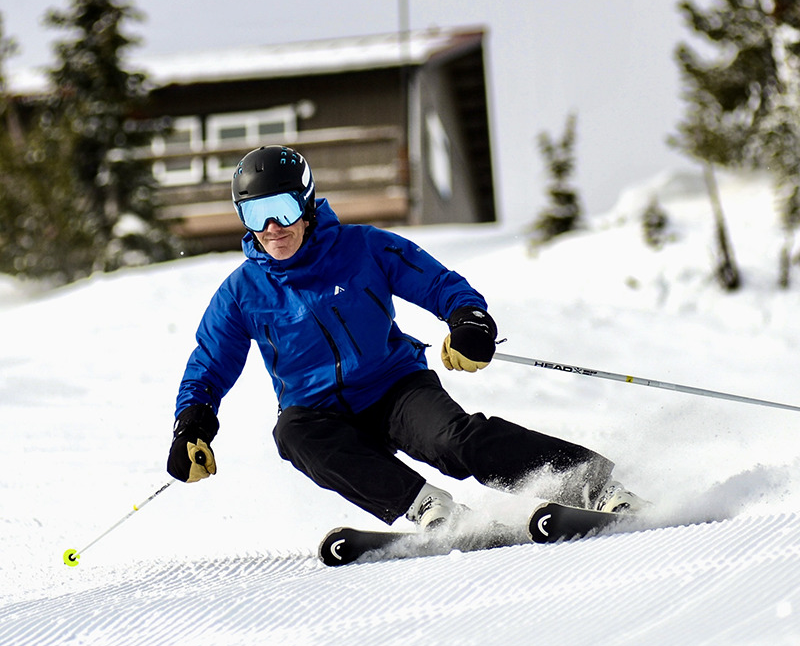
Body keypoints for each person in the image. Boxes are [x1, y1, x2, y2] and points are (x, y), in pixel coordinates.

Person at [167, 145, 646, 531]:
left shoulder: (362, 247)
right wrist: (192, 423)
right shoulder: (241, 292)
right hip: (321, 415)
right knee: (291, 433)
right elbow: (209, 365)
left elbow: (439, 283)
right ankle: (427, 508)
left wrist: (469, 322)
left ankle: (590, 484)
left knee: (455, 442)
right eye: (256, 215)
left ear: (307, 203)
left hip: (394, 388)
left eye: (283, 209)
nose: (273, 228)